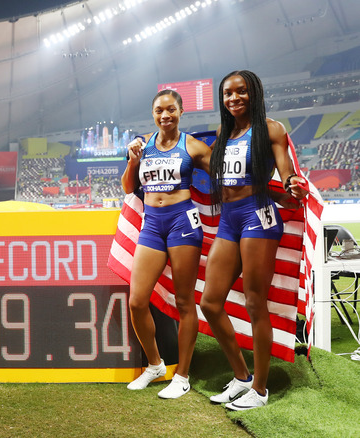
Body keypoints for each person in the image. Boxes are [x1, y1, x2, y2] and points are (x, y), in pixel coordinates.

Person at [200, 70, 307, 411]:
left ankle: (259, 390)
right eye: (228, 94)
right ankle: (243, 377)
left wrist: (292, 184)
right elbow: (204, 163)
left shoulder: (271, 130)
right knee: (210, 303)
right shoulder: (224, 132)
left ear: (254, 93)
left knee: (254, 303)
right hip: (229, 220)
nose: (233, 98)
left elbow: (286, 171)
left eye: (241, 92)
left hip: (258, 217)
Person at [120, 89, 212, 399]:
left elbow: (224, 177)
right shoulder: (142, 145)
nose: (165, 115)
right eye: (159, 110)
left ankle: (182, 376)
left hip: (182, 223)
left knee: (185, 302)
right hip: (152, 224)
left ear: (181, 111)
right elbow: (129, 187)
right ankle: (156, 365)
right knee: (136, 300)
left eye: (171, 109)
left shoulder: (193, 146)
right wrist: (133, 160)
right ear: (153, 113)